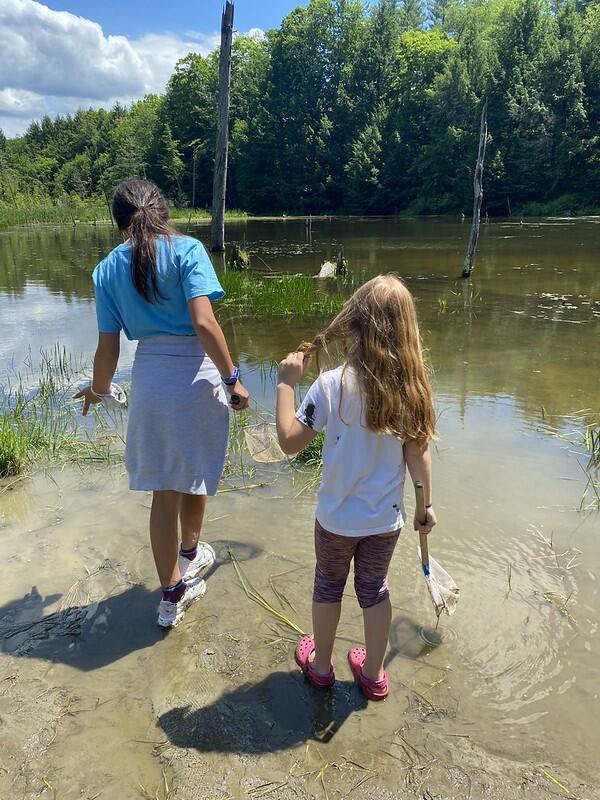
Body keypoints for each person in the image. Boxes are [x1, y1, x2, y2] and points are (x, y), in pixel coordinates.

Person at [75, 180, 249, 629]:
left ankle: (173, 588)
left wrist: (98, 389)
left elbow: (108, 350)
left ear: (118, 224)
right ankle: (188, 560)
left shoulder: (106, 270)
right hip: (198, 376)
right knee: (195, 474)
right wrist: (233, 379)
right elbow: (204, 322)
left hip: (151, 376)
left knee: (163, 493)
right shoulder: (188, 250)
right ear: (164, 212)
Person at [275, 275, 436, 700]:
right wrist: (426, 507)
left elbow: (290, 442)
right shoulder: (412, 390)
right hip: (384, 522)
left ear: (355, 326)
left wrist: (285, 384)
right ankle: (374, 672)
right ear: (407, 330)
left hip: (335, 520)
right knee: (374, 589)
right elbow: (418, 456)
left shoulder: (330, 385)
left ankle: (322, 667)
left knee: (329, 583)